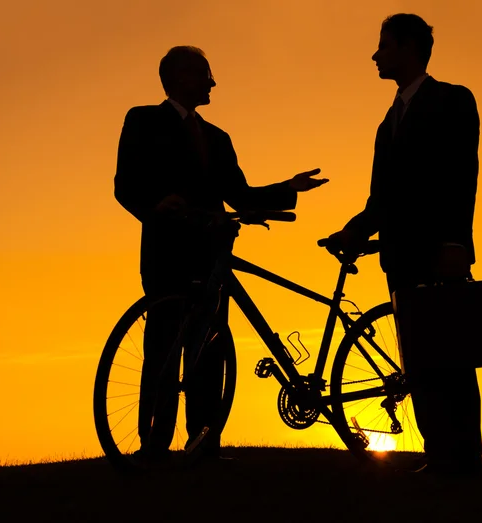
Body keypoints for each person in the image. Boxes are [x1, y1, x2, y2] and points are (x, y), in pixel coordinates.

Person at [114, 45, 328, 461]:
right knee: (163, 345)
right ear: (177, 77)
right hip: (168, 251)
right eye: (204, 74)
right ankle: (153, 446)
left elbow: (239, 193)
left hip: (212, 252)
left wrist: (288, 188)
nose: (212, 83)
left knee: (210, 348)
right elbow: (126, 183)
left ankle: (205, 443)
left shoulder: (218, 137)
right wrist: (155, 206)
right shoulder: (142, 121)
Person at [323, 14, 482, 474]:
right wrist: (355, 230)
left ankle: (465, 461)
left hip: (439, 252)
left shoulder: (452, 100)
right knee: (420, 360)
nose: (376, 55)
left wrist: (456, 242)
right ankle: (439, 458)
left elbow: (461, 177)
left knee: (453, 357)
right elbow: (382, 198)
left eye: (384, 45)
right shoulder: (388, 121)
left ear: (410, 48)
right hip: (400, 255)